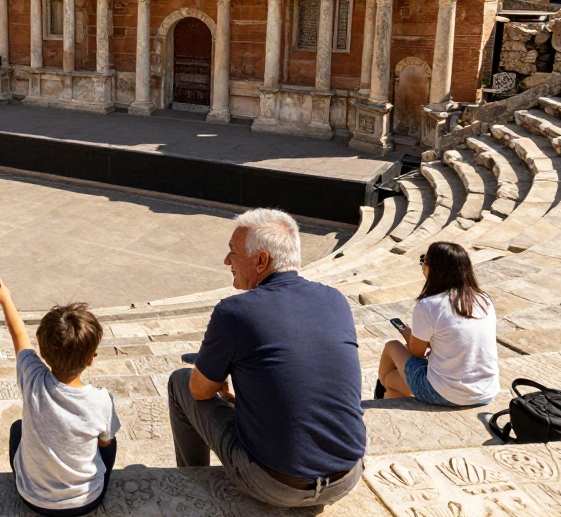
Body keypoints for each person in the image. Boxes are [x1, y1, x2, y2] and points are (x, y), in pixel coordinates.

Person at [168, 208, 365, 508]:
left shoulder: (234, 312)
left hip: (276, 484)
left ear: (261, 260)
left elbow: (199, 390)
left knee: (181, 382)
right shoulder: (335, 299)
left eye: (233, 252)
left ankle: (193, 482)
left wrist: (216, 375)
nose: (226, 260)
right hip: (347, 476)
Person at [0, 275, 119, 516]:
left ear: (41, 351)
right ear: (91, 358)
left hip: (32, 498)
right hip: (88, 501)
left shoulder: (32, 379)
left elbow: (18, 336)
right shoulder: (101, 400)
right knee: (109, 437)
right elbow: (105, 443)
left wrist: (5, 299)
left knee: (18, 428)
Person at [376, 242, 499, 407]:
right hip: (486, 391)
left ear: (434, 269)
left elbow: (416, 352)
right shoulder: (484, 300)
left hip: (447, 394)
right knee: (392, 393)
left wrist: (408, 333)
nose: (422, 265)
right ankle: (387, 397)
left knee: (392, 351)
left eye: (424, 261)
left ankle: (379, 395)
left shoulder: (429, 305)